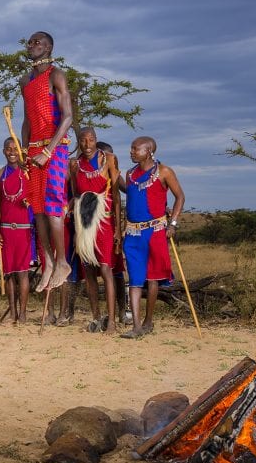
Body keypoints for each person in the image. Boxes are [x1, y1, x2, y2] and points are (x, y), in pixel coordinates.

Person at [20, 31, 74, 291]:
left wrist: (49, 151)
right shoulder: (25, 80)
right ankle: (49, 262)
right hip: (33, 150)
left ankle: (63, 261)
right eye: (29, 42)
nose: (32, 46)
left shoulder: (56, 74)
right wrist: (23, 150)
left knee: (53, 204)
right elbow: (27, 120)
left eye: (37, 42)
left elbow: (68, 118)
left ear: (50, 47)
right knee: (37, 208)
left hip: (54, 148)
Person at [118, 136, 184, 338]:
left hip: (155, 231)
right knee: (135, 279)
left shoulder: (164, 171)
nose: (131, 151)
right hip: (132, 232)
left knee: (153, 277)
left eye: (135, 149)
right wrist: (113, 172)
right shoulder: (130, 174)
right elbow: (129, 192)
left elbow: (180, 196)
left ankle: (148, 321)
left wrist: (172, 223)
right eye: (131, 148)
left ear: (148, 151)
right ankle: (137, 326)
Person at [69, 127, 121, 334]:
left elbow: (116, 196)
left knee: (107, 270)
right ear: (78, 142)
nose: (87, 145)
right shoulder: (74, 164)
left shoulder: (108, 159)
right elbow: (76, 196)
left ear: (96, 140)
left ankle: (112, 322)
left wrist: (118, 229)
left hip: (105, 224)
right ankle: (96, 318)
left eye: (91, 140)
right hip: (84, 224)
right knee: (89, 272)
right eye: (83, 140)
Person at [0, 137, 34, 325]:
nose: (11, 152)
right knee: (8, 273)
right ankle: (13, 313)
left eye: (14, 149)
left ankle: (23, 314)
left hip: (24, 230)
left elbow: (34, 196)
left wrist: (29, 202)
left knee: (22, 272)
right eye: (8, 149)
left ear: (20, 150)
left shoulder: (27, 173)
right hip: (6, 229)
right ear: (3, 151)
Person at [97, 139, 129, 325]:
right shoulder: (86, 169)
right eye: (107, 155)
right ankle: (100, 314)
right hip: (90, 227)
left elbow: (127, 190)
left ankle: (122, 312)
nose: (110, 158)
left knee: (116, 271)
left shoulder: (112, 171)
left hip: (110, 226)